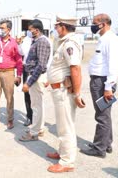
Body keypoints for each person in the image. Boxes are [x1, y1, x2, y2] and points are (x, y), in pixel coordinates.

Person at [46, 16, 85, 173]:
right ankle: (63, 152)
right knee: (62, 125)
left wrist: (77, 94)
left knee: (66, 126)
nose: (55, 29)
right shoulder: (63, 42)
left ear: (63, 27)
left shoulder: (70, 44)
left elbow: (75, 69)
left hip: (64, 90)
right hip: (59, 88)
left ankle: (67, 161)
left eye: (57, 26)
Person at [80, 14, 118, 158]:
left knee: (102, 116)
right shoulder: (104, 38)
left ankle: (99, 148)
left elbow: (114, 65)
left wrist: (109, 87)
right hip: (100, 81)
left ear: (103, 24)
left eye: (95, 23)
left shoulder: (110, 39)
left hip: (102, 83)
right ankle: (105, 143)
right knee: (105, 115)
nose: (93, 25)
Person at [19, 19, 51, 142]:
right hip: (34, 76)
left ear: (36, 30)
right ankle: (39, 128)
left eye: (30, 29)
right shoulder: (36, 41)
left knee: (36, 106)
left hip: (36, 77)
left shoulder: (42, 42)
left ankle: (34, 133)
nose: (29, 31)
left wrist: (29, 82)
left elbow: (41, 65)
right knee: (38, 105)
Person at [17, 30, 33, 126]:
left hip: (37, 69)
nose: (30, 31)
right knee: (27, 94)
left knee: (36, 95)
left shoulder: (43, 40)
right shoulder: (26, 40)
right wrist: (19, 44)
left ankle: (37, 119)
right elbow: (22, 52)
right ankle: (29, 117)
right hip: (27, 69)